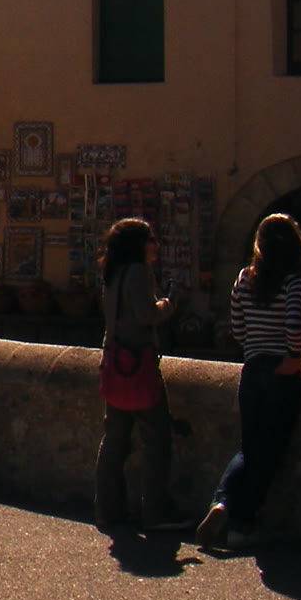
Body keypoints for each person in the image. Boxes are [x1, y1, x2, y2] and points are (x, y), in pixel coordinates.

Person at [196, 214, 301, 551]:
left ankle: (222, 503)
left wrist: (256, 345)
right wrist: (293, 355)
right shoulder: (295, 280)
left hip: (252, 368)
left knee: (249, 446)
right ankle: (244, 523)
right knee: (270, 450)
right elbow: (295, 323)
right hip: (282, 370)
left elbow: (237, 327)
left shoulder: (245, 278)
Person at [94, 218, 181, 531]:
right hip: (137, 364)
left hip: (113, 362)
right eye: (151, 240)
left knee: (114, 440)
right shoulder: (138, 272)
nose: (155, 246)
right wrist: (169, 304)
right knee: (157, 439)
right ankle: (156, 511)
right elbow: (146, 314)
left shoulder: (113, 273)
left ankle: (108, 509)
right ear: (139, 244)